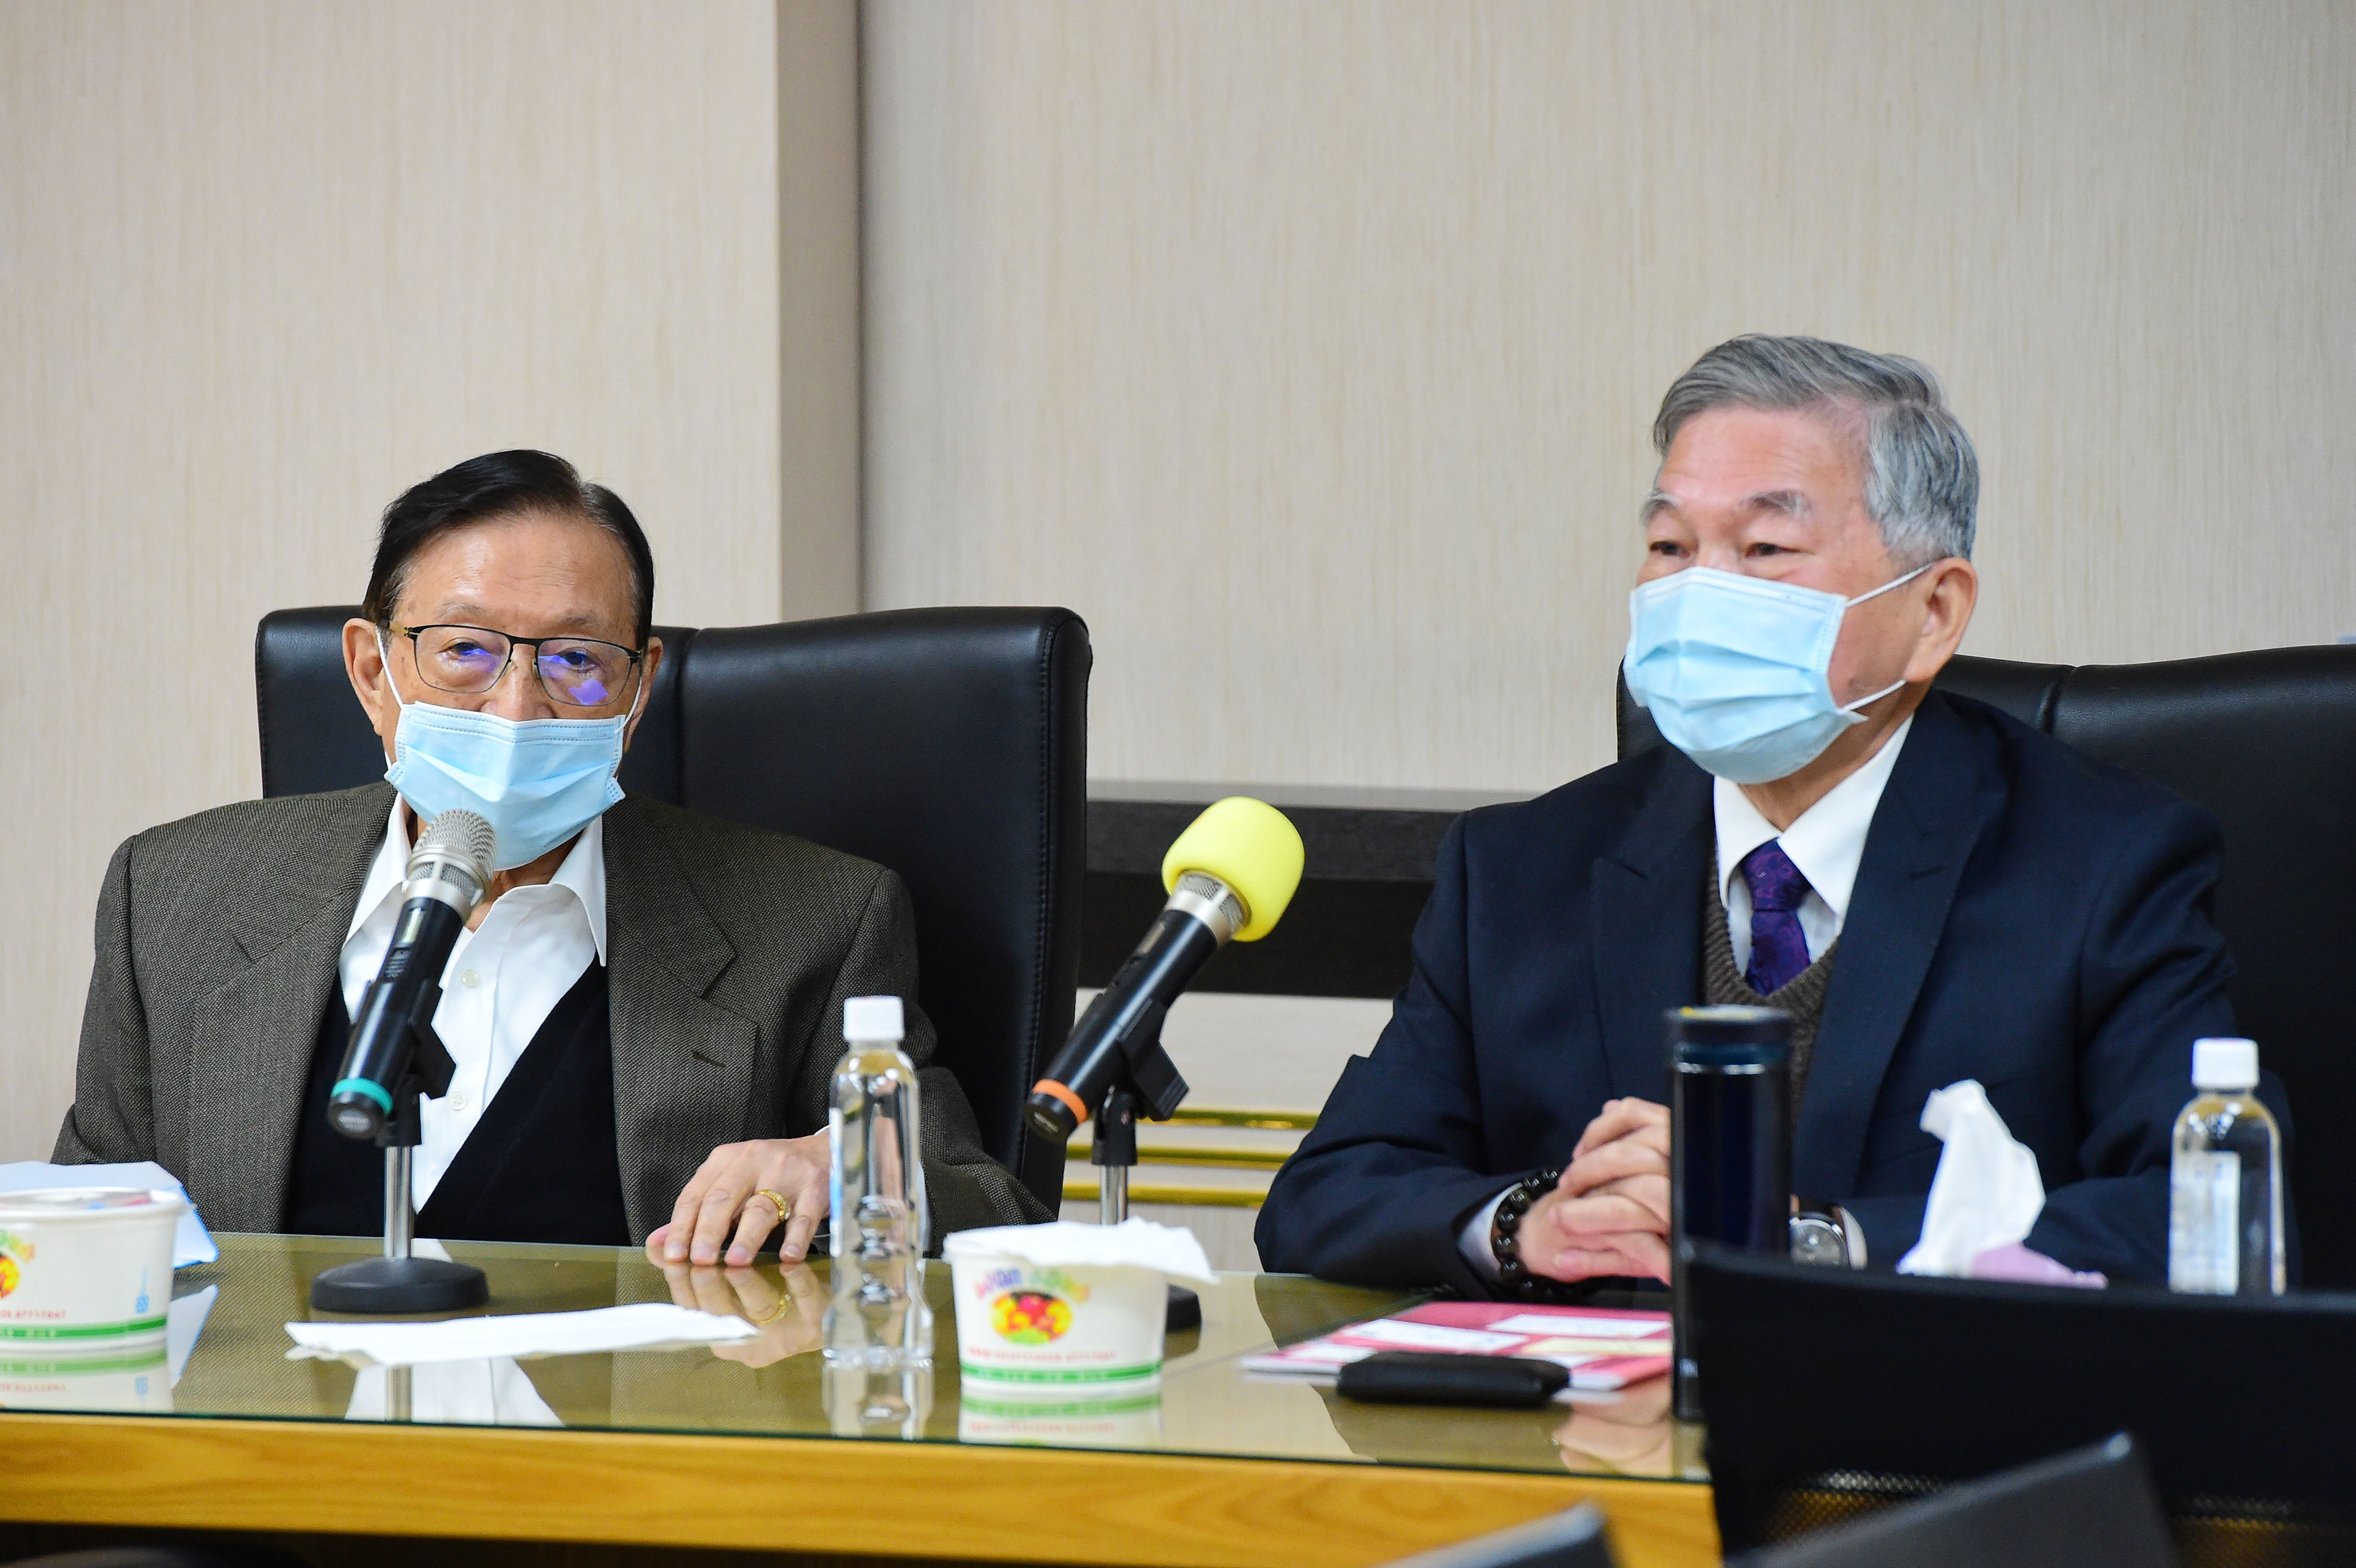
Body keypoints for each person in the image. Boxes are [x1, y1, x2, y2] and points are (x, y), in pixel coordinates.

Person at [1256, 335, 2289, 1293]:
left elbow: (2201, 1212)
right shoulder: (1518, 869)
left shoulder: (2103, 864)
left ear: (1932, 612)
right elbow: (1327, 1193)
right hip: (1590, 1418)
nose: (1699, 592)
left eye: (1763, 547)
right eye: (1670, 545)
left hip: (1925, 1421)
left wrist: (1808, 1241)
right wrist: (1531, 1224)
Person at [56, 450, 1047, 1264]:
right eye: (465, 650)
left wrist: (849, 1173)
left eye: (576, 660)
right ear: (371, 671)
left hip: (634, 1445)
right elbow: (84, 1234)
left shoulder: (814, 922)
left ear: (638, 690)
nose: (518, 707)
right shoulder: (178, 897)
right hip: (252, 1446)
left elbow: (987, 1206)